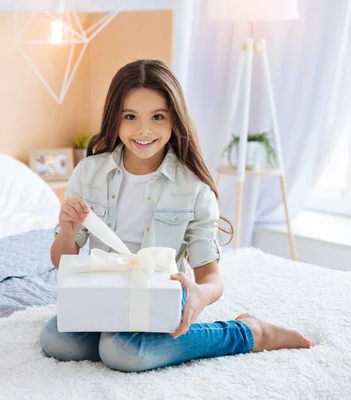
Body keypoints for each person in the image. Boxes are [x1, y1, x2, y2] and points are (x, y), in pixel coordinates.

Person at [39, 59, 315, 373]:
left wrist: (200, 294)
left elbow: (211, 277)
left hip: (161, 295)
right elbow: (62, 261)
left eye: (158, 116)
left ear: (175, 120)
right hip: (106, 292)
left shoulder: (193, 187)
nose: (144, 130)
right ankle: (114, 333)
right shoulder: (88, 173)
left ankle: (248, 332)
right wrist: (67, 232)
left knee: (123, 352)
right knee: (57, 340)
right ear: (115, 119)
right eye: (130, 116)